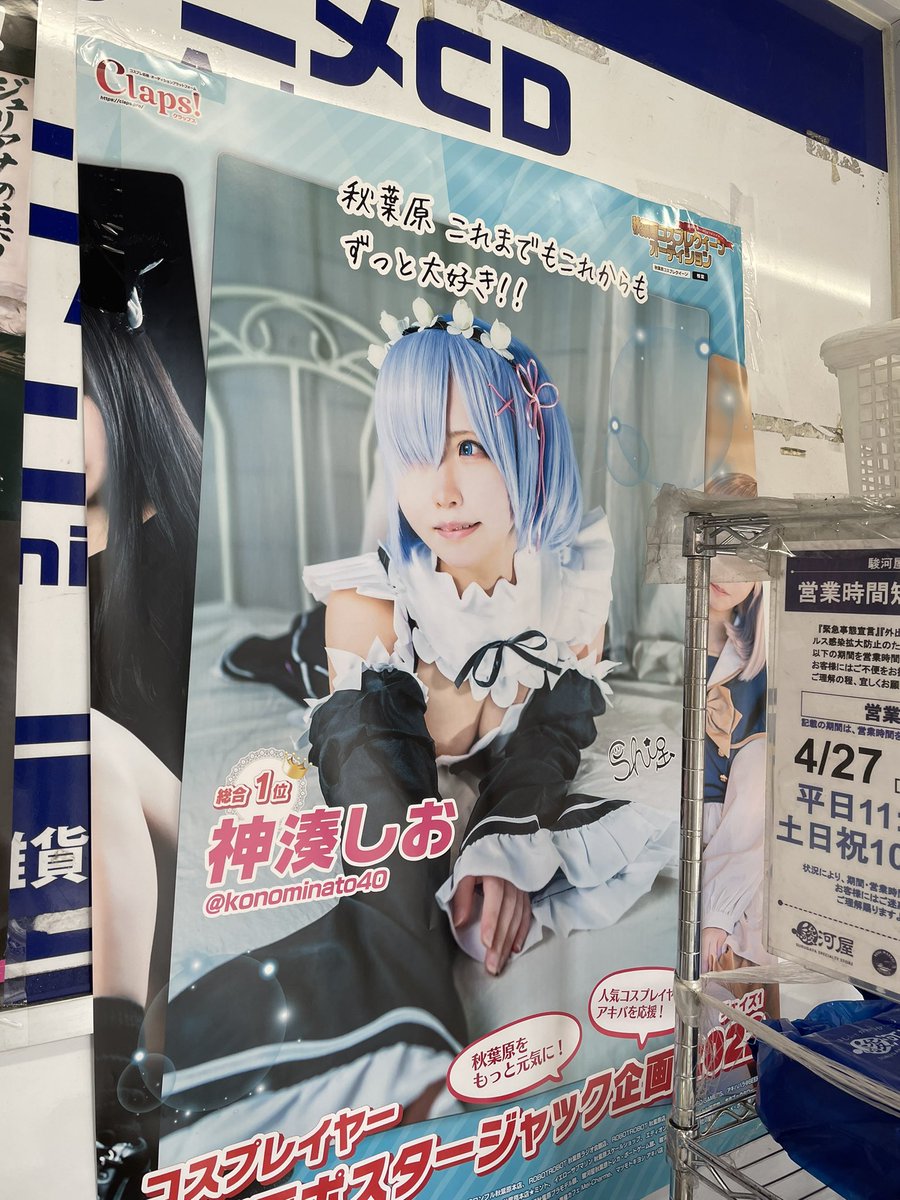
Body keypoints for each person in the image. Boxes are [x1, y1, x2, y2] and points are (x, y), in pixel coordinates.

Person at [160, 299, 675, 1154]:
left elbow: (554, 730)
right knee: (295, 651)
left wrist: (505, 844)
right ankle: (270, 645)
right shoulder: (369, 602)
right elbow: (378, 798)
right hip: (345, 648)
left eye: (469, 446)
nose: (439, 490)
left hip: (452, 650)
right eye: (413, 451)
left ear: (529, 442)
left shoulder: (575, 575)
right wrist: (415, 1018)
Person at [83, 296, 202, 1176]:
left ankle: (110, 1105)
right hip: (99, 863)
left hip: (203, 832)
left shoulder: (183, 540)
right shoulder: (35, 560)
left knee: (85, 747)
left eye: (66, 404)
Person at [700, 472, 776, 991]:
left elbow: (752, 810)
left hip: (723, 870)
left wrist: (719, 910)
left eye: (746, 555)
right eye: (717, 542)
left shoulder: (759, 677)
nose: (726, 569)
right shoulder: (661, 646)